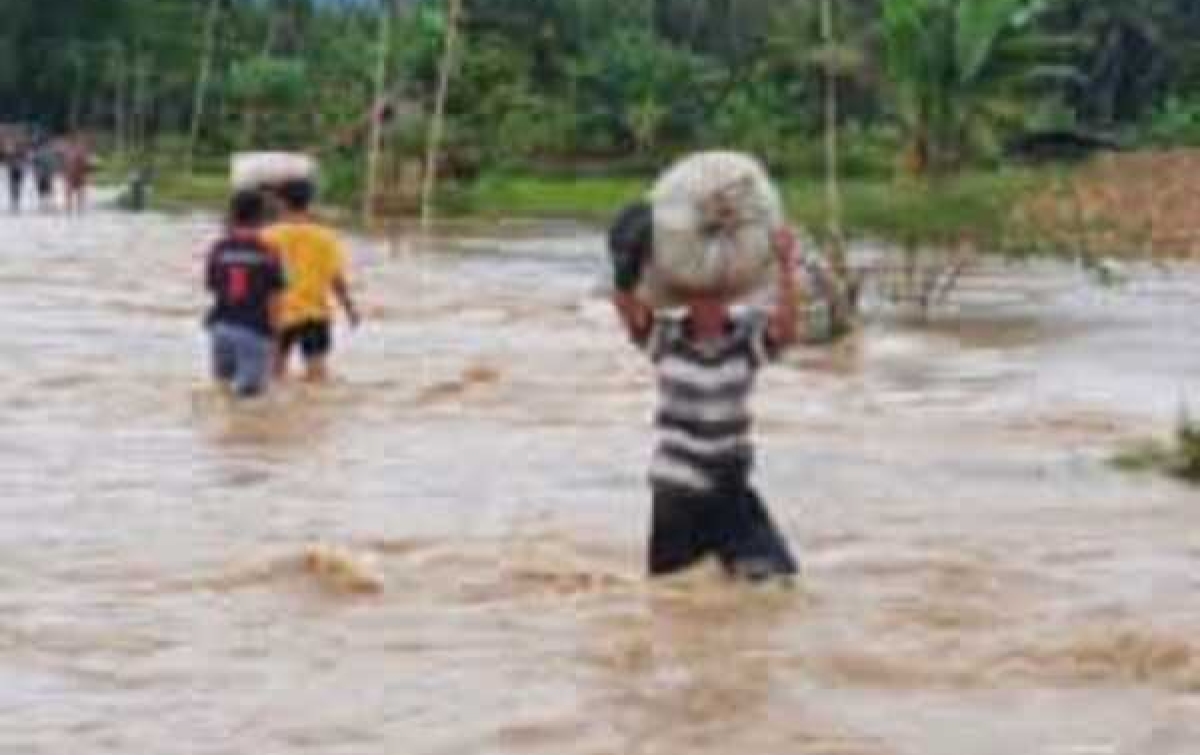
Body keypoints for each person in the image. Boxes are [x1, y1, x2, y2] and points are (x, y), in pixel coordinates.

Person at [609, 201, 801, 582]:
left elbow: (787, 330)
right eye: (700, 296)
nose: (708, 305)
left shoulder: (746, 340)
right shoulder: (666, 338)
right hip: (677, 491)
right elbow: (628, 310)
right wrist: (625, 268)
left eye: (716, 296)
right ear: (686, 299)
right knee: (674, 595)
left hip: (730, 487)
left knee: (778, 583)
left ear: (728, 298)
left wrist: (785, 266)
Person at [262, 179, 360, 382]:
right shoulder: (326, 237)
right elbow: (336, 278)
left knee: (274, 374)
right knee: (317, 376)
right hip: (315, 314)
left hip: (279, 314)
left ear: (281, 203)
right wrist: (350, 308)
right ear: (310, 203)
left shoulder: (268, 236)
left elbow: (259, 277)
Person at [205, 190, 286, 398]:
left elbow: (213, 287)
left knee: (221, 391)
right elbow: (275, 298)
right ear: (261, 216)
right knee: (250, 400)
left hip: (221, 327)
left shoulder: (218, 249)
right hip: (254, 330)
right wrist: (277, 339)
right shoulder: (269, 251)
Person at [64, 135, 93, 215]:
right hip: (74, 176)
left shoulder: (73, 151)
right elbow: (86, 164)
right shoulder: (73, 151)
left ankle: (74, 210)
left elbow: (85, 164)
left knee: (76, 194)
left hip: (76, 176)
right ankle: (73, 210)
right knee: (73, 194)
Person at [31, 140, 57, 212]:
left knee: (43, 190)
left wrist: (36, 172)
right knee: (48, 189)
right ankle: (47, 204)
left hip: (42, 174)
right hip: (46, 174)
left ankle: (44, 205)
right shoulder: (50, 153)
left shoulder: (38, 153)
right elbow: (53, 163)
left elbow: (34, 163)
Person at [4, 141, 27, 213]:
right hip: (17, 170)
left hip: (15, 170)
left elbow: (8, 161)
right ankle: (15, 201)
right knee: (16, 186)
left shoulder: (12, 153)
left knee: (14, 186)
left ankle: (15, 201)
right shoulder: (19, 152)